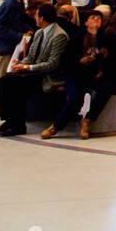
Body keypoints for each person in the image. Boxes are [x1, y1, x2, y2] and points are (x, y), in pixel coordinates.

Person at [0, 3, 70, 136]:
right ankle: (9, 121)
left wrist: (27, 67)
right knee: (4, 80)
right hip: (35, 72)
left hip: (48, 76)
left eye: (36, 15)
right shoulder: (39, 33)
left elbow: (52, 64)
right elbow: (31, 56)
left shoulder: (59, 36)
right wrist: (20, 65)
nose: (34, 18)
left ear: (42, 17)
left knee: (18, 85)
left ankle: (18, 125)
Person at [43, 9, 104, 138]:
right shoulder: (78, 37)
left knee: (105, 90)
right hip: (75, 75)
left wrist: (100, 69)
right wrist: (79, 61)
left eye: (99, 19)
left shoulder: (103, 38)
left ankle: (87, 121)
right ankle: (56, 126)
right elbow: (66, 60)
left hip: (93, 75)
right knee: (76, 98)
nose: (96, 21)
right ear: (86, 22)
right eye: (93, 18)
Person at [83, 9, 116, 138]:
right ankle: (88, 120)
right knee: (106, 89)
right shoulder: (112, 35)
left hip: (114, 72)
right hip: (108, 74)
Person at [0, 0, 32, 113]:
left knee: (5, 75)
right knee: (2, 75)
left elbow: (17, 22)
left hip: (11, 44)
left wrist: (25, 30)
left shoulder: (18, 3)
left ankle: (3, 104)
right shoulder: (9, 4)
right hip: (6, 46)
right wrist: (18, 35)